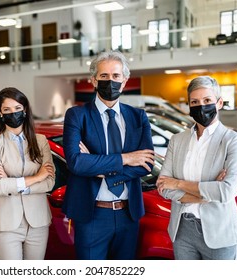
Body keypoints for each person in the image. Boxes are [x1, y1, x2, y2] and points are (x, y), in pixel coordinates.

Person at [62, 50, 155, 260]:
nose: (110, 81)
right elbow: (76, 162)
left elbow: (146, 164)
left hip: (128, 214)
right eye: (104, 76)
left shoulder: (138, 117)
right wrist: (126, 158)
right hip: (92, 214)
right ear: (93, 80)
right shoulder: (77, 115)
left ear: (124, 81)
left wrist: (100, 169)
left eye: (115, 76)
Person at [156, 76, 237, 260]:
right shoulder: (177, 140)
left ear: (219, 103)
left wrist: (178, 183)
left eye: (207, 101)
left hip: (219, 232)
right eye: (195, 102)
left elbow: (226, 191)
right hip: (182, 231)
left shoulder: (233, 140)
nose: (201, 106)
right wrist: (207, 195)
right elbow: (164, 187)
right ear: (189, 106)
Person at [0, 87, 55, 260]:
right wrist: (37, 177)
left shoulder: (40, 141)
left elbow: (50, 182)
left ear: (25, 110)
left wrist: (12, 182)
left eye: (17, 108)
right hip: (6, 223)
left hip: (38, 222)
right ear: (0, 113)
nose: (12, 113)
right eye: (6, 110)